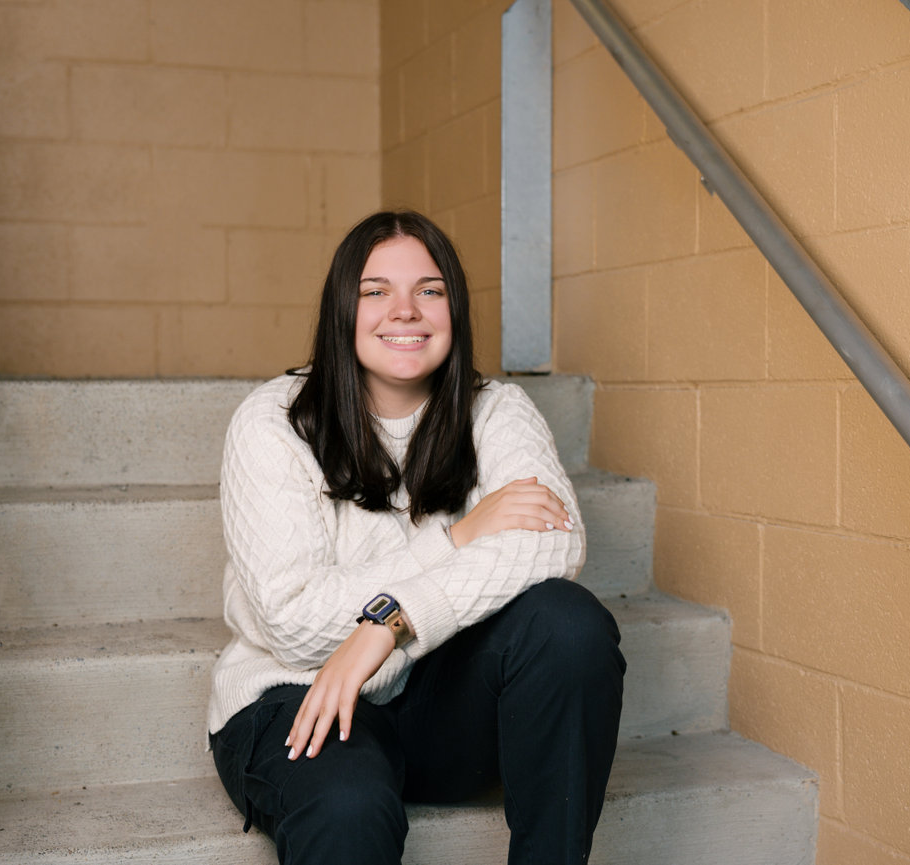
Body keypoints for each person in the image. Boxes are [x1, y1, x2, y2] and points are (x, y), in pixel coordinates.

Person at [207, 210, 626, 865]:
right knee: (349, 805)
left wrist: (388, 622)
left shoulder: (496, 413)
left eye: (428, 290)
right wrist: (457, 537)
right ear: (341, 310)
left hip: (439, 702)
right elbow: (295, 622)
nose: (405, 310)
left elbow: (554, 542)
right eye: (376, 291)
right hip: (301, 691)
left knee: (567, 625)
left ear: (453, 309)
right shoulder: (274, 424)